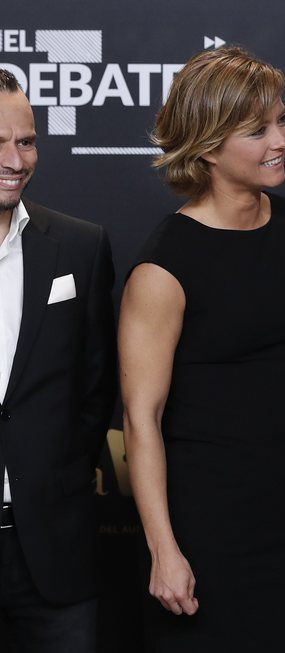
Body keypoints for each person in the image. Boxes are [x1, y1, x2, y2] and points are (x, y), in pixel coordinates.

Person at [118, 47, 285, 652]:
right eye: (258, 130)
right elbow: (142, 418)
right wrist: (164, 549)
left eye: (282, 120)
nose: (282, 140)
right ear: (208, 146)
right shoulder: (164, 266)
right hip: (203, 532)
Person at [0, 69, 116, 652]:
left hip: (53, 550)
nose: (15, 160)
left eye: (26, 142)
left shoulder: (79, 246)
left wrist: (61, 474)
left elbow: (97, 386)